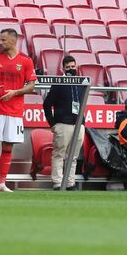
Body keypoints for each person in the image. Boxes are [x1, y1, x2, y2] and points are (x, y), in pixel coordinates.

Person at [0, 28, 36, 193]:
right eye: (0, 39)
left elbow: (31, 85)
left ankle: (2, 183)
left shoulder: (26, 61)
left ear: (13, 41)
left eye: (3, 40)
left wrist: (15, 92)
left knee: (8, 146)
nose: (0, 42)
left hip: (14, 111)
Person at [42, 55, 86, 190]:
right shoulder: (58, 84)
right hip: (63, 124)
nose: (71, 69)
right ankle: (57, 182)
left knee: (73, 156)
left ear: (76, 67)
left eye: (73, 66)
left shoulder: (81, 83)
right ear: (63, 69)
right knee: (59, 154)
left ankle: (70, 182)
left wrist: (83, 122)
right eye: (68, 67)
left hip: (78, 124)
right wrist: (52, 123)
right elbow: (47, 104)